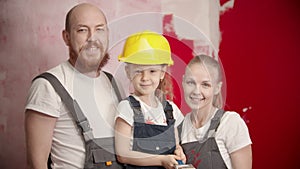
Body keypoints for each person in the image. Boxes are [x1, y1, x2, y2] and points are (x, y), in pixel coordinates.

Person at [25, 3, 123, 169]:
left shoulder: (113, 83)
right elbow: (36, 164)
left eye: (99, 29)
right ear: (67, 37)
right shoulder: (48, 85)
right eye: (82, 30)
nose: (92, 38)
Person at [114, 31, 186, 169]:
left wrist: (179, 151)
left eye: (152, 71)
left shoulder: (170, 110)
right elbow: (122, 154)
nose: (145, 78)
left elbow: (176, 144)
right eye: (138, 71)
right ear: (128, 72)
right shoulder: (127, 108)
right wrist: (161, 160)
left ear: (162, 73)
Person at [180, 54, 252, 169]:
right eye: (191, 82)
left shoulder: (230, 123)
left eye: (205, 84)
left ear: (217, 88)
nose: (196, 91)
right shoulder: (179, 128)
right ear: (183, 82)